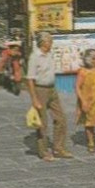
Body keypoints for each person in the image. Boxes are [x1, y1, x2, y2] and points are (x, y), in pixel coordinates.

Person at [26, 32, 71, 160]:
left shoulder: (50, 54)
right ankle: (43, 151)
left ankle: (58, 148)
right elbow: (30, 79)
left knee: (60, 118)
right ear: (44, 43)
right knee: (42, 123)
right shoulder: (35, 57)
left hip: (52, 88)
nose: (51, 43)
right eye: (50, 41)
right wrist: (34, 99)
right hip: (40, 90)